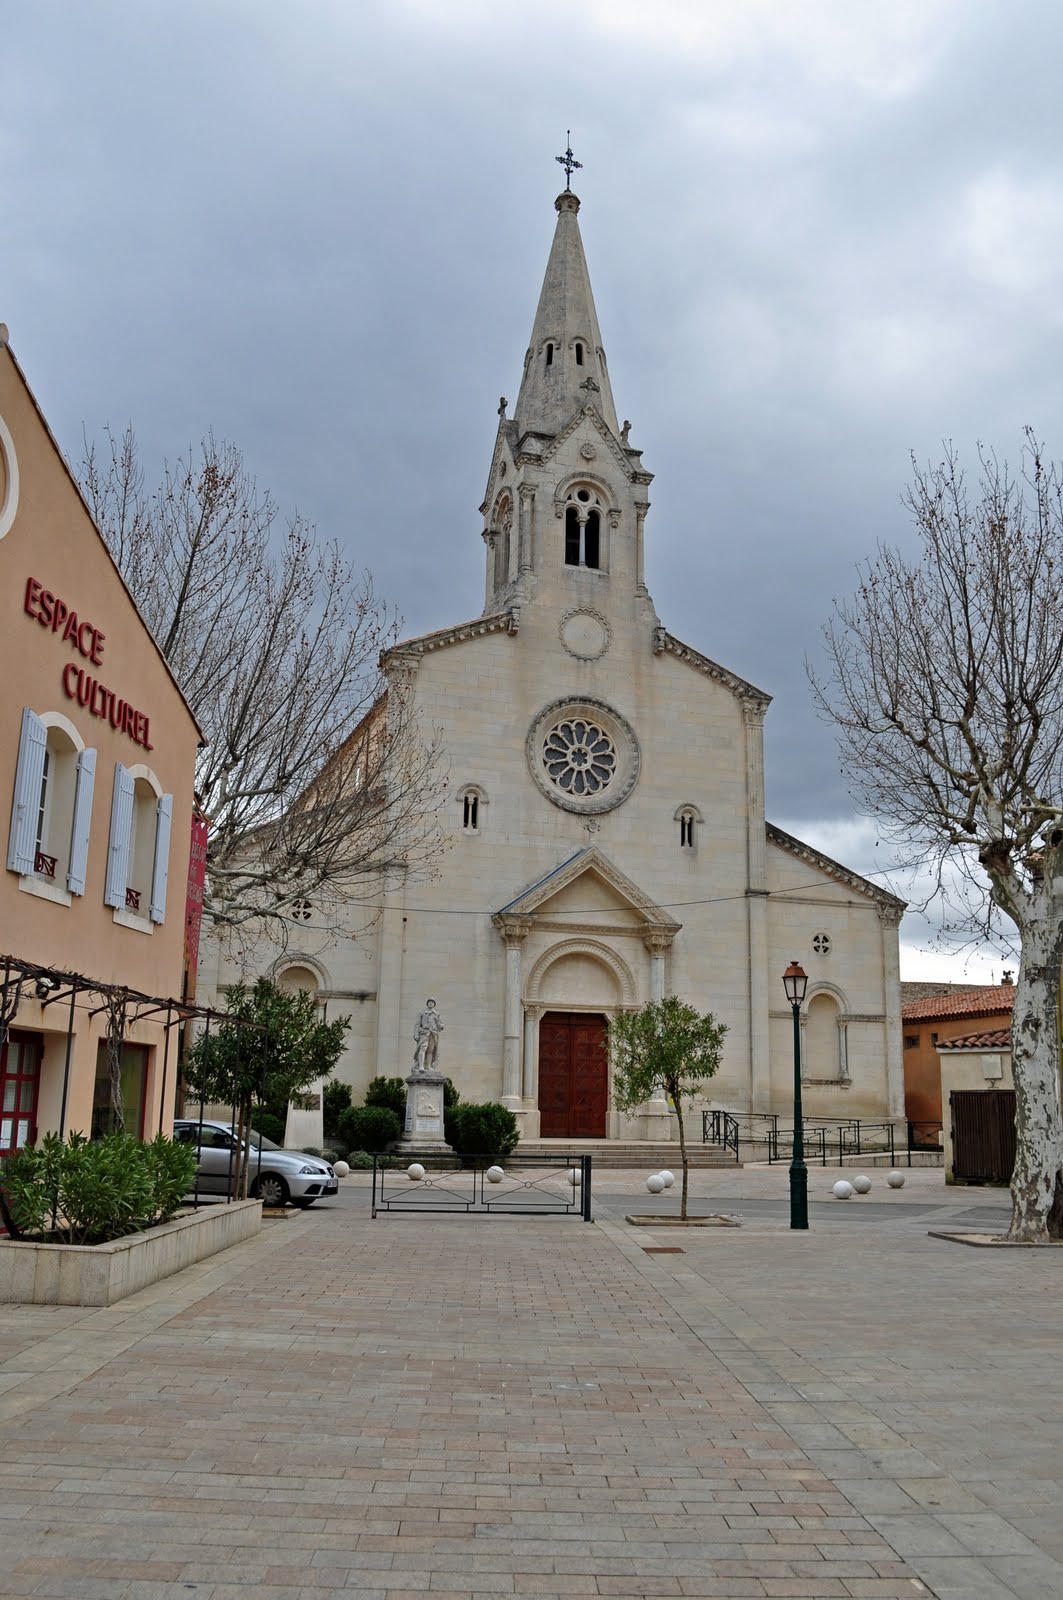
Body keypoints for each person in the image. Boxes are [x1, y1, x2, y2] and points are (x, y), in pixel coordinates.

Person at [413, 997, 443, 1072]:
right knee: (423, 1048)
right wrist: (416, 1034)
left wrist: (441, 1025)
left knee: (431, 1050)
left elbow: (440, 1024)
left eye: (432, 1002)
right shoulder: (422, 1012)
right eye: (429, 1002)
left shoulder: (436, 1014)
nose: (431, 1003)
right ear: (427, 1003)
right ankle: (421, 1065)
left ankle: (428, 1066)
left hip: (433, 1033)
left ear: (434, 1004)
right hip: (424, 1032)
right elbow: (417, 1024)